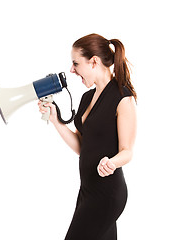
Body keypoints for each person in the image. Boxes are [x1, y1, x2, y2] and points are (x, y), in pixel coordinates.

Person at [38, 34, 137, 240]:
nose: (72, 70)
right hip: (87, 191)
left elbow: (127, 151)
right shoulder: (86, 98)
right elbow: (83, 147)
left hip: (107, 194)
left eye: (76, 63)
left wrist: (111, 162)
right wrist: (56, 120)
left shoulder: (122, 97)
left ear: (94, 62)